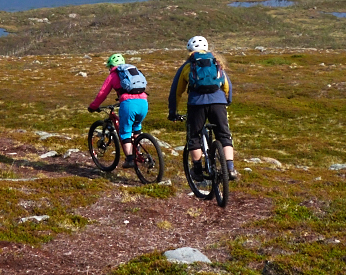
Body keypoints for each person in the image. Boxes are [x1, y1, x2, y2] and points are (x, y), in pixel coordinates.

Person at [167, 35, 235, 183]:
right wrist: (226, 101)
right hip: (218, 103)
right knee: (224, 135)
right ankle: (230, 168)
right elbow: (227, 85)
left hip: (196, 104)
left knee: (194, 137)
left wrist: (173, 112)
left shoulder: (187, 66)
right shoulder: (216, 62)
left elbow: (176, 92)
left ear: (189, 50)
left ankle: (197, 170)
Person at [87, 52, 151, 164]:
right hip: (144, 102)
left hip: (129, 103)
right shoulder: (132, 72)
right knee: (136, 127)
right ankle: (139, 153)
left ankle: (130, 159)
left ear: (111, 66)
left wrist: (93, 107)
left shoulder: (113, 75)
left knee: (125, 132)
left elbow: (102, 93)